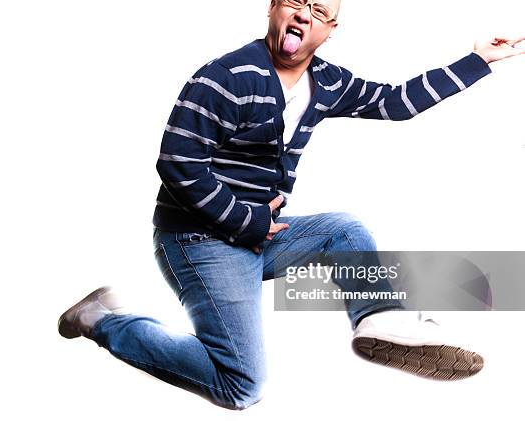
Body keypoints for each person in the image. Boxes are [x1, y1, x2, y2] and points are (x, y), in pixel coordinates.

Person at [58, 0, 524, 411]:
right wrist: (247, 220)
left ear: (330, 29)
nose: (305, 14)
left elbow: (394, 103)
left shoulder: (325, 81)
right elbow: (178, 162)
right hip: (197, 240)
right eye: (296, 2)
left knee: (344, 230)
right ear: (273, 8)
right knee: (240, 386)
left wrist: (479, 59)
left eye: (321, 11)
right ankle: (101, 319)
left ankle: (380, 320)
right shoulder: (226, 77)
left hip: (257, 236)